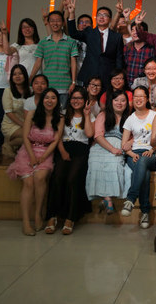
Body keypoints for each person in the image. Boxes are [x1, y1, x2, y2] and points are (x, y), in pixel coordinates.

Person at [6, 88, 63, 236]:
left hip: (46, 152)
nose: (49, 101)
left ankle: (38, 214)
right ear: (42, 100)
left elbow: (56, 140)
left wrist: (44, 157)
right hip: (28, 151)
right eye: (46, 98)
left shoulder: (60, 118)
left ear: (57, 101)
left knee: (40, 177)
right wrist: (31, 156)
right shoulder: (32, 114)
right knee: (28, 183)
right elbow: (25, 137)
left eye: (53, 98)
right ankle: (26, 222)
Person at [45, 87, 94, 235]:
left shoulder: (90, 115)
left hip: (81, 150)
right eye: (73, 98)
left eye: (79, 98)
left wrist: (86, 115)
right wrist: (62, 151)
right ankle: (52, 216)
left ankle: (70, 218)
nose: (76, 101)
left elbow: (89, 134)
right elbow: (58, 136)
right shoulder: (63, 114)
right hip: (64, 148)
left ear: (85, 100)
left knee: (73, 178)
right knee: (57, 176)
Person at [86, 90, 132, 215]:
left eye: (123, 100)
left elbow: (136, 135)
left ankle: (106, 200)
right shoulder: (103, 115)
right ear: (111, 102)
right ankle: (108, 200)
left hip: (119, 146)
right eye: (116, 100)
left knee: (114, 164)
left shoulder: (130, 118)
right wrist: (112, 149)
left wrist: (130, 142)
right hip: (102, 146)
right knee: (95, 162)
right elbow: (98, 136)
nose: (119, 103)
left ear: (127, 103)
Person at [120, 86, 156, 229]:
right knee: (145, 174)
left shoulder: (155, 116)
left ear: (147, 99)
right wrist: (131, 154)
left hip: (152, 153)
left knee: (143, 162)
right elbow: (124, 144)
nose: (138, 99)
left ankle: (130, 198)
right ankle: (145, 212)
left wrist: (152, 149)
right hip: (134, 154)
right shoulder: (130, 119)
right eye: (136, 96)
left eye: (142, 96)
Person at [66, 0, 124, 89]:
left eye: (105, 15)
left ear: (110, 19)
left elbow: (119, 58)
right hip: (89, 75)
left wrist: (117, 76)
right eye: (99, 15)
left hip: (108, 76)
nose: (101, 17)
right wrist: (72, 13)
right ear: (96, 18)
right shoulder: (89, 32)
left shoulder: (117, 37)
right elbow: (73, 33)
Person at [31, 10, 78, 107]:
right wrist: (30, 78)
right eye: (52, 21)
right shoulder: (43, 42)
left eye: (58, 20)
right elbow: (38, 63)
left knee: (63, 113)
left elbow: (73, 62)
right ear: (48, 23)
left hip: (65, 85)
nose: (55, 23)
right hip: (47, 85)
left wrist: (73, 82)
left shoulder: (71, 42)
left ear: (63, 23)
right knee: (47, 113)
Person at [1, 64, 31, 157]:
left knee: (36, 135)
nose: (17, 76)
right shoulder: (8, 91)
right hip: (10, 125)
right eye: (14, 74)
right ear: (11, 77)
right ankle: (8, 145)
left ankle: (15, 145)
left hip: (26, 123)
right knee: (30, 136)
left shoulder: (31, 90)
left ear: (25, 75)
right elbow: (8, 113)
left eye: (20, 74)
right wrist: (24, 125)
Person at [124, 21, 155, 85]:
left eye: (137, 30)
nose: (135, 33)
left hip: (144, 86)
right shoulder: (127, 47)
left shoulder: (151, 49)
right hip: (127, 86)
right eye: (132, 30)